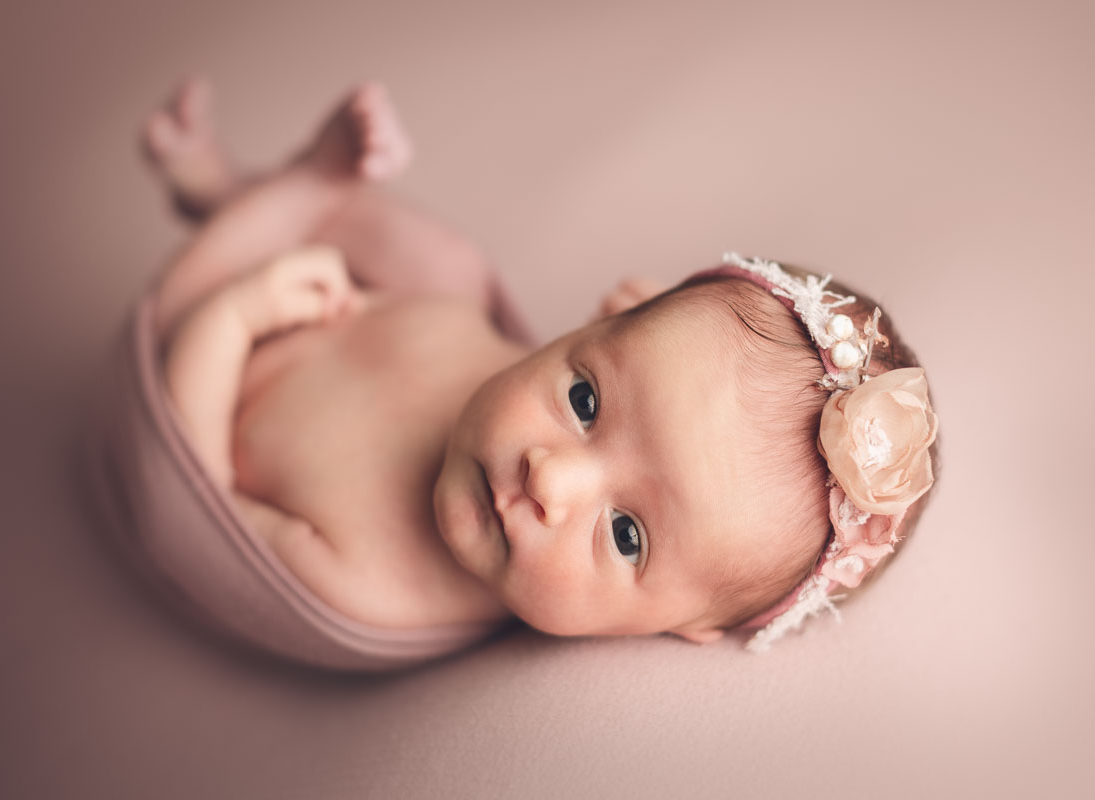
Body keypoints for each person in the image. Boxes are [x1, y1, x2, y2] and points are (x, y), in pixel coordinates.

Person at [135, 79, 938, 656]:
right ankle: (271, 189)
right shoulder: (480, 329)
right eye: (585, 400)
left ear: (688, 623)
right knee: (445, 265)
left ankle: (259, 199)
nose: (550, 480)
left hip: (184, 365)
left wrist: (231, 321)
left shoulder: (375, 588)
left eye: (627, 536)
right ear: (607, 317)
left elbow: (188, 504)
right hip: (315, 280)